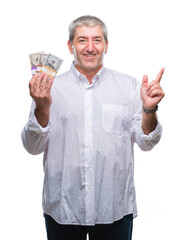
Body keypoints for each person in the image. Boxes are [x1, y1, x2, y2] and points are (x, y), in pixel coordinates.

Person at [21, 15, 165, 240]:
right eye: (82, 40)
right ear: (70, 46)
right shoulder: (49, 89)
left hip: (114, 208)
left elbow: (147, 142)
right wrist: (41, 107)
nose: (90, 48)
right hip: (63, 209)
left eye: (97, 40)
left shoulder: (129, 87)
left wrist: (149, 110)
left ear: (106, 45)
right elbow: (32, 146)